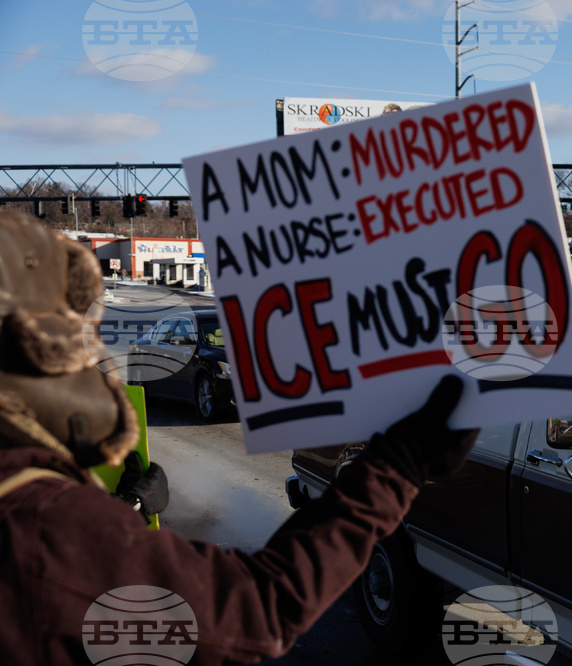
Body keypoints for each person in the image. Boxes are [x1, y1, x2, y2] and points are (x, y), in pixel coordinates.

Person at [0, 211, 478, 665]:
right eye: (80, 334)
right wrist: (396, 468)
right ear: (42, 352)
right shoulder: (42, 524)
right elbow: (255, 609)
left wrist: (124, 513)